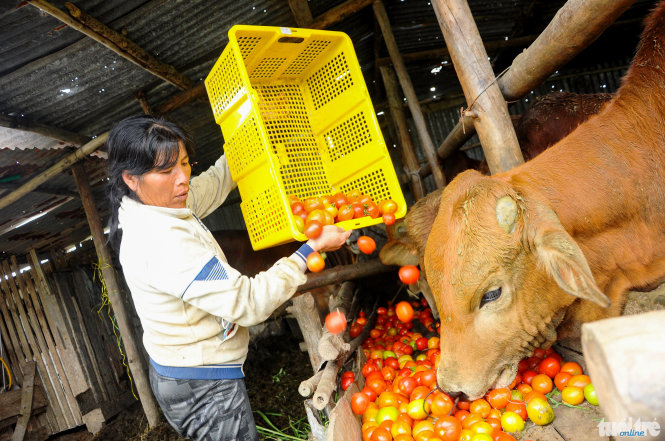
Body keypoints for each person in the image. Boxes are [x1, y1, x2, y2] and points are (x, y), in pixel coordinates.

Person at [106, 114, 351, 441]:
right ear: (131, 179)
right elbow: (249, 304)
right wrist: (311, 249)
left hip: (185, 371)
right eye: (167, 171)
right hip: (202, 386)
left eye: (184, 163)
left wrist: (249, 138)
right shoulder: (161, 241)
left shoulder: (159, 204)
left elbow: (215, 181)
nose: (182, 179)